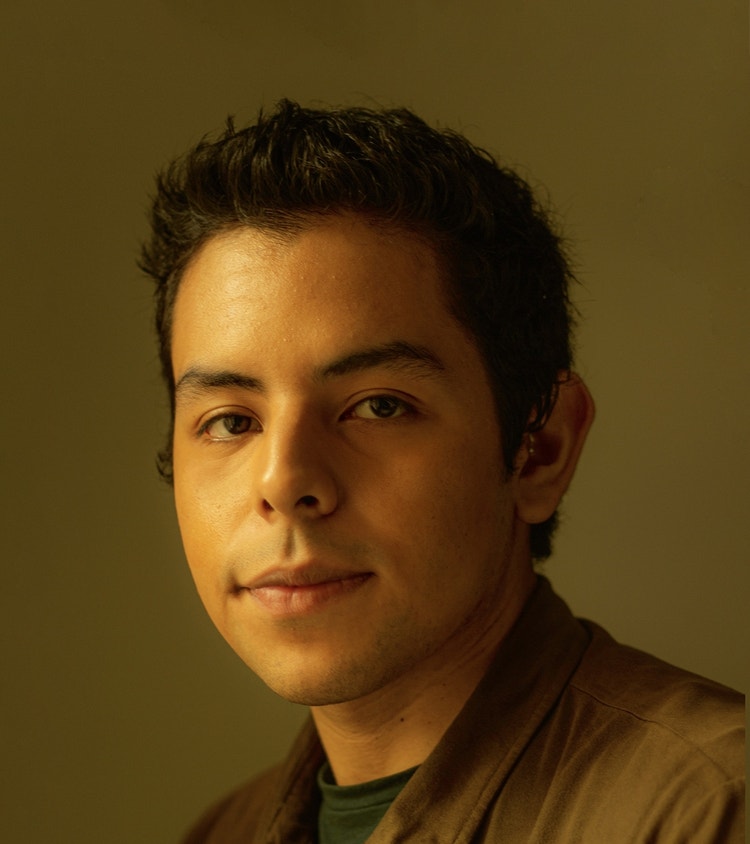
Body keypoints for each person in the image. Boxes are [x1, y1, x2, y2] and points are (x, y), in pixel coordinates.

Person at [140, 100, 744, 843]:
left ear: (541, 446)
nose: (285, 481)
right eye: (232, 421)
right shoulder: (221, 833)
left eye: (378, 407)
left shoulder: (708, 810)